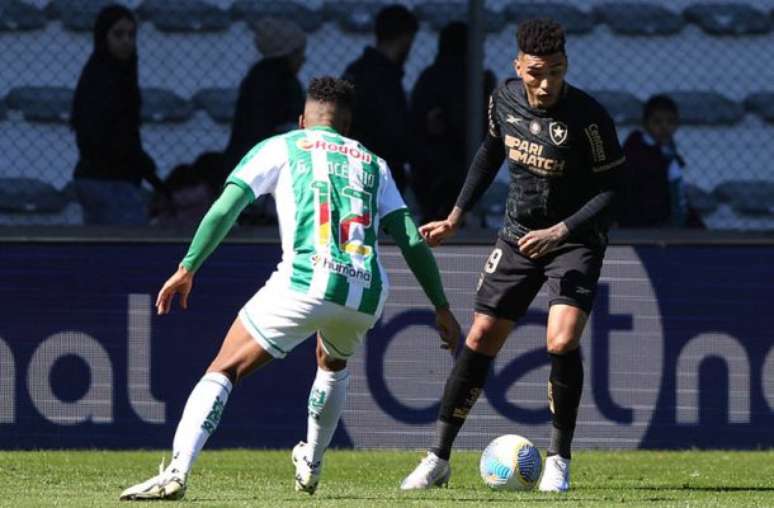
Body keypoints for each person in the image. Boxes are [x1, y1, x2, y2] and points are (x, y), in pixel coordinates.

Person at [119, 77, 461, 501]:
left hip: (305, 281)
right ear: (347, 128)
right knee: (332, 362)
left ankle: (176, 471)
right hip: (365, 291)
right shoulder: (373, 162)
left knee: (223, 368)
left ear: (303, 120)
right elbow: (410, 238)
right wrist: (442, 307)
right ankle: (312, 463)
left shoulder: (282, 146)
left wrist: (188, 266)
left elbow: (227, 206)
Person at [400, 18, 625, 493]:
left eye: (557, 72)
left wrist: (561, 230)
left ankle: (558, 460)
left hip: (575, 240)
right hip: (518, 236)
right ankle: (438, 457)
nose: (547, 84)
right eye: (537, 73)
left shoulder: (589, 118)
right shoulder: (501, 98)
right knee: (480, 335)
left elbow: (611, 190)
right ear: (518, 65)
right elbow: (490, 152)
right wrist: (456, 216)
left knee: (560, 342)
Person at [71, 4, 169, 225]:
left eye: (131, 35)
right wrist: (146, 169)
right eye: (118, 34)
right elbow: (108, 136)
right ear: (103, 36)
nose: (126, 41)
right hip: (107, 180)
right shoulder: (102, 79)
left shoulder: (118, 74)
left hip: (107, 178)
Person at [409, 21, 496, 223]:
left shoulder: (429, 78)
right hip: (458, 170)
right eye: (479, 47)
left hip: (430, 174)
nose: (482, 54)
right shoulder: (478, 80)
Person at [342, 4, 418, 194]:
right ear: (405, 39)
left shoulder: (355, 71)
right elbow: (393, 132)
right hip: (380, 176)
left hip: (350, 170)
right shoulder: (385, 79)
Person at [618, 95, 703, 228]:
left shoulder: (667, 152)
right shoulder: (636, 154)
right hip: (643, 227)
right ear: (646, 124)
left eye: (671, 122)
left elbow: (678, 196)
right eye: (657, 122)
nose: (665, 127)